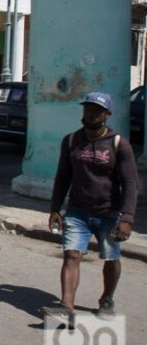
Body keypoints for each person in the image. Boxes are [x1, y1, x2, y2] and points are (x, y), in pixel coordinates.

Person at [47, 92, 138, 320]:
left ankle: (107, 298)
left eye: (96, 110)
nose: (91, 114)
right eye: (88, 109)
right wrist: (55, 208)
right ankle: (66, 307)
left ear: (106, 115)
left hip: (109, 213)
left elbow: (129, 183)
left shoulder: (119, 144)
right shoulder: (71, 141)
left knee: (110, 257)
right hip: (77, 211)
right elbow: (62, 177)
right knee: (71, 255)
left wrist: (126, 218)